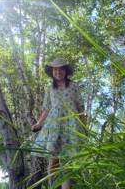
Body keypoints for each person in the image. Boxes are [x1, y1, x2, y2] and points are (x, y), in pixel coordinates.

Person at [31, 58, 86, 189]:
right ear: (52, 72)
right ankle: (52, 186)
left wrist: (84, 128)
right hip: (54, 126)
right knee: (53, 162)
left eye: (61, 69)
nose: (58, 72)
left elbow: (80, 108)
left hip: (71, 125)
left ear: (66, 71)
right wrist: (38, 124)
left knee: (67, 161)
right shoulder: (50, 89)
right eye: (55, 69)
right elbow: (46, 109)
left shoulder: (74, 86)